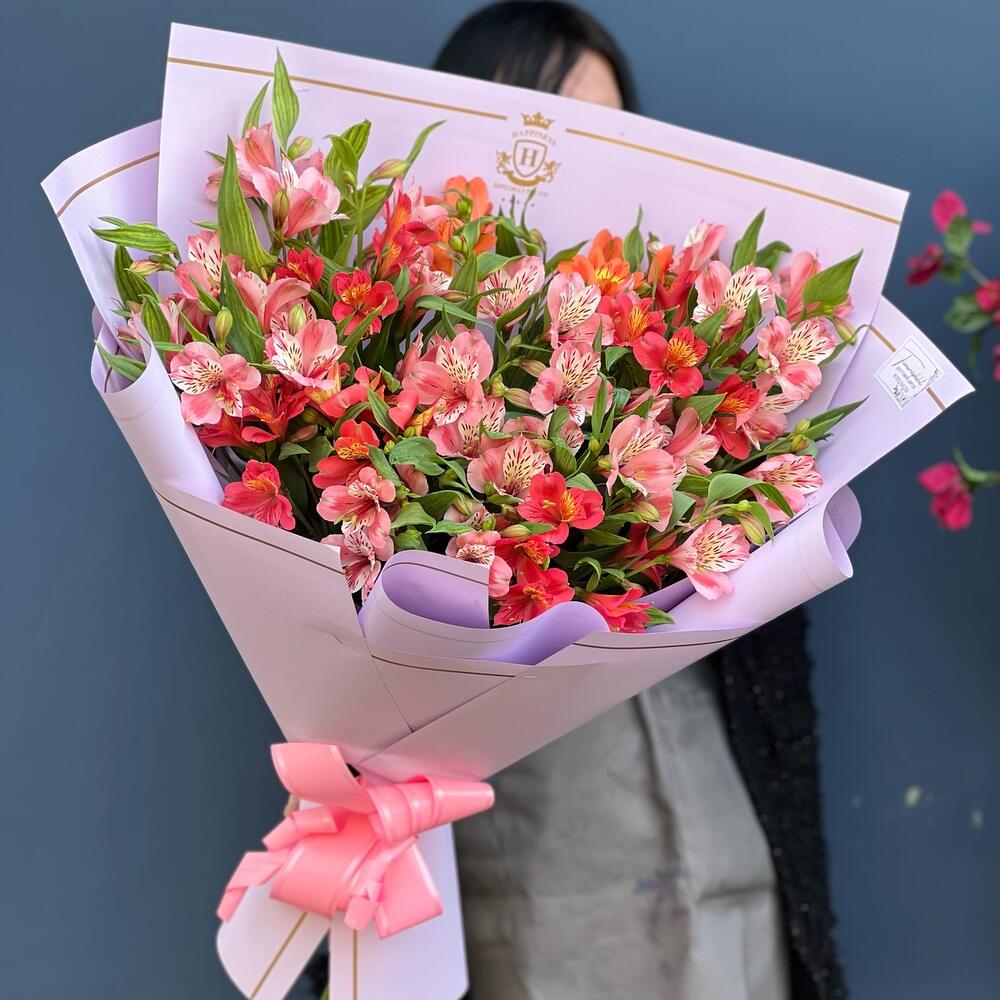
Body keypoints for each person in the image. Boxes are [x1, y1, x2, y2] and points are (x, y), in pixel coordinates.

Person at [429, 4, 848, 1000]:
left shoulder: (698, 341)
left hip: (723, 850)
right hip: (521, 871)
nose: (585, 167)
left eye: (612, 136)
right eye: (551, 132)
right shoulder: (403, 358)